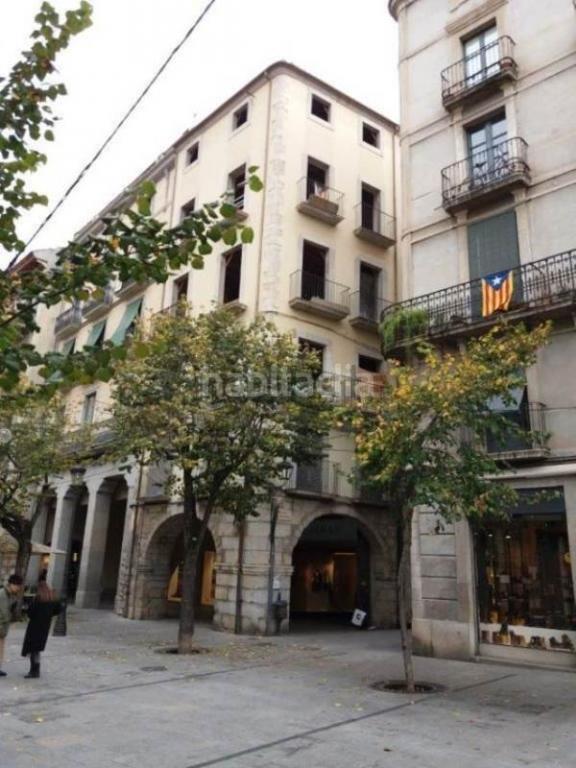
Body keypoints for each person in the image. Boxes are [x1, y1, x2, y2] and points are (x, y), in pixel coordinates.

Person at [21, 578, 61, 679]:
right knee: (37, 649)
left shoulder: (38, 599)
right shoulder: (52, 599)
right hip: (45, 627)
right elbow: (58, 609)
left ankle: (34, 671)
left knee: (33, 649)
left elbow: (30, 613)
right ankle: (35, 670)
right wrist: (49, 615)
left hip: (34, 627)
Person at [0, 574, 24, 677]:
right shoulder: (3, 594)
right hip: (1, 625)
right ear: (11, 584)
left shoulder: (11, 594)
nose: (18, 588)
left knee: (1, 649)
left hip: (3, 627)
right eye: (17, 586)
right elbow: (4, 613)